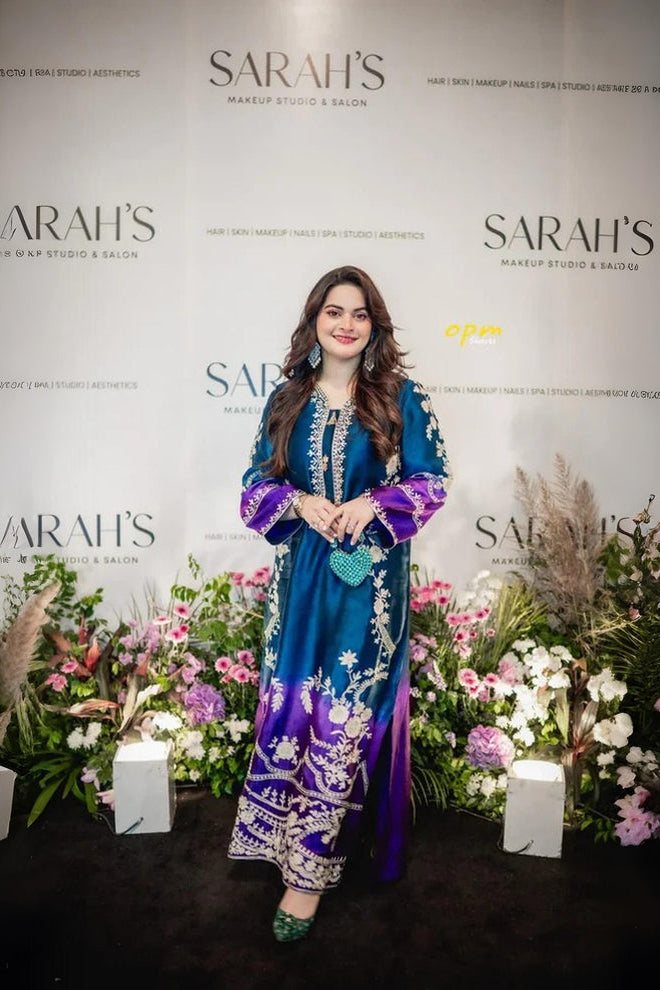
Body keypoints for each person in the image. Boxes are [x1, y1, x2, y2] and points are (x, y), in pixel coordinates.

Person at [227, 265, 451, 942]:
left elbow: (432, 481)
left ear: (373, 325)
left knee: (345, 715)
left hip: (368, 586)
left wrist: (372, 503)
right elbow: (253, 486)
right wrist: (297, 501)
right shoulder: (286, 399)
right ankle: (283, 842)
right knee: (295, 704)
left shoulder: (399, 397)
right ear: (315, 321)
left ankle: (307, 879)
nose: (346, 324)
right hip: (301, 581)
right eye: (334, 311)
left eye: (359, 313)